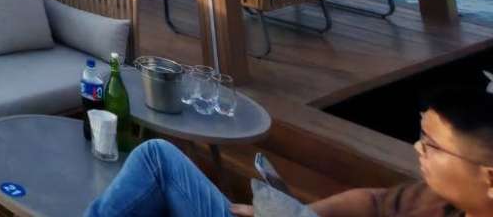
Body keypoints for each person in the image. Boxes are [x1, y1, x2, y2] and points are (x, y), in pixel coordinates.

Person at [85, 84, 493, 217]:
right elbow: (373, 201)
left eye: (431, 145)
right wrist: (299, 214)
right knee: (157, 157)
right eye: (421, 136)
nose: (417, 149)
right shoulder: (442, 200)